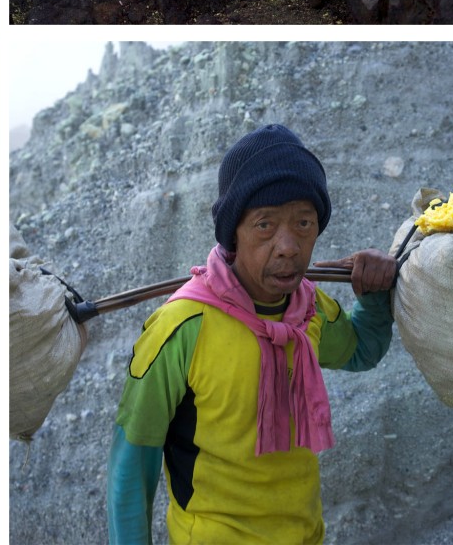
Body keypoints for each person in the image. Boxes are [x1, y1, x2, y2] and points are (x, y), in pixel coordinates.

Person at [107, 124, 398, 545]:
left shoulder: (309, 309)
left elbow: (361, 350)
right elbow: (132, 464)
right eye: (265, 225)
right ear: (233, 232)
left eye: (303, 222)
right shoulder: (182, 327)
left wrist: (373, 293)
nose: (288, 246)